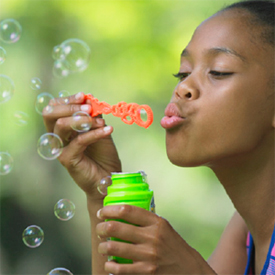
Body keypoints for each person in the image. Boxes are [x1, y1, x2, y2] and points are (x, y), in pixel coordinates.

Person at [43, 0, 275, 274]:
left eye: (218, 71)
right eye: (183, 73)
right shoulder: (244, 232)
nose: (183, 88)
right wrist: (104, 193)